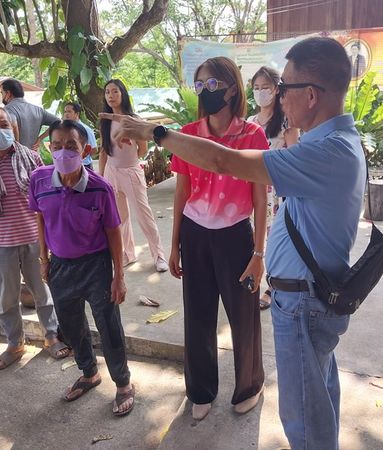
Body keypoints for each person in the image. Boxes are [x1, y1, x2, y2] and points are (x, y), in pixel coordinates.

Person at [102, 37, 366, 450]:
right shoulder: (323, 143)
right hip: (300, 297)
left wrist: (155, 132)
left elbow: (225, 161)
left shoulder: (327, 152)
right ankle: (203, 391)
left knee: (303, 416)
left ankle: (250, 390)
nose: (278, 96)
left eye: (286, 87)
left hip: (304, 303)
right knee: (315, 401)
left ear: (311, 95)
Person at [103, 57, 269, 421]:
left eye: (213, 85)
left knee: (243, 317)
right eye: (199, 85)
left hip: (236, 236)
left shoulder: (252, 135)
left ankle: (250, 385)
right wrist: (174, 243)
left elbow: (260, 198)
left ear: (231, 88)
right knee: (197, 315)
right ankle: (200, 389)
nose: (205, 92)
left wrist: (259, 252)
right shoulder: (187, 134)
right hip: (195, 234)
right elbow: (182, 191)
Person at [29, 119, 135, 416]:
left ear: (85, 149)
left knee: (108, 325)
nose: (64, 152)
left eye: (71, 146)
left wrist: (119, 277)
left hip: (96, 266)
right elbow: (40, 217)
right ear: (49, 149)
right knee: (72, 326)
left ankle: (123, 383)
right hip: (60, 266)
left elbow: (114, 232)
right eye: (57, 146)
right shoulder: (38, 179)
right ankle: (89, 372)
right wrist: (44, 258)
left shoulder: (100, 188)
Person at [0, 106, 70, 370]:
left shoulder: (32, 159)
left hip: (34, 239)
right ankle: (15, 343)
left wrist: (52, 239)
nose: (0, 131)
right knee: (7, 298)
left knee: (42, 291)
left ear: (14, 127)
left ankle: (51, 336)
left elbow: (46, 200)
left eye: (4, 125)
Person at [98, 79, 168, 272]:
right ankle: (128, 254)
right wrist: (102, 176)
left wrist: (129, 163)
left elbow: (143, 149)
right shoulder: (105, 122)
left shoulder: (134, 119)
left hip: (132, 173)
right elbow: (104, 151)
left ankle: (159, 255)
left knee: (144, 216)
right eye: (107, 92)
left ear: (123, 94)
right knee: (120, 218)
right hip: (111, 173)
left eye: (115, 92)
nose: (111, 96)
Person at [247, 66, 300, 310]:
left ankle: (271, 286)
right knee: (254, 236)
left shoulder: (287, 121)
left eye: (265, 88)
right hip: (254, 189)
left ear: (276, 89)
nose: (260, 93)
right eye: (256, 88)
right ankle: (255, 278)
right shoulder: (249, 122)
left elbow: (294, 157)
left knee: (276, 239)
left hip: (277, 191)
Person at [1, 78, 58, 150]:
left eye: (2, 93)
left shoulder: (6, 111)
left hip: (14, 157)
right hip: (33, 157)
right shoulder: (38, 110)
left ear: (8, 93)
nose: (2, 96)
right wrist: (40, 139)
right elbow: (58, 122)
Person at [63, 102, 97, 170]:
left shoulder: (86, 129)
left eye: (69, 111)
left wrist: (82, 156)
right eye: (65, 111)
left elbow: (94, 149)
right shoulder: (65, 129)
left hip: (84, 167)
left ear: (77, 114)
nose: (66, 114)